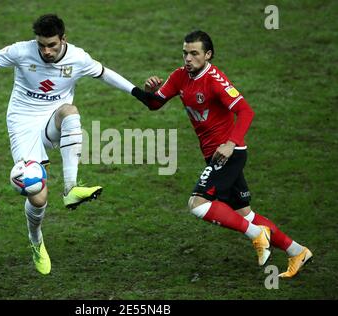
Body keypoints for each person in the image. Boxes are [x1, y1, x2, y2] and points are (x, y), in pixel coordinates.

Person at [130, 30, 312, 278]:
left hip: (229, 154)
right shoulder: (179, 77)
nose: (188, 58)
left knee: (198, 203)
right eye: (185, 53)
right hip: (213, 155)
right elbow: (154, 104)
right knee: (244, 213)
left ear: (208, 55)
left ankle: (257, 234)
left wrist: (230, 143)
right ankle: (297, 251)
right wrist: (151, 89)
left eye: (194, 53)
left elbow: (246, 112)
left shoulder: (215, 80)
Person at [0, 14, 138, 275]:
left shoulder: (77, 58)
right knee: (38, 195)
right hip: (23, 124)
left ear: (63, 40)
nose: (46, 51)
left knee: (70, 111)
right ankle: (36, 241)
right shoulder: (22, 51)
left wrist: (138, 92)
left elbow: (105, 74)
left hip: (52, 118)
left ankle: (71, 188)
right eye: (42, 45)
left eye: (52, 46)